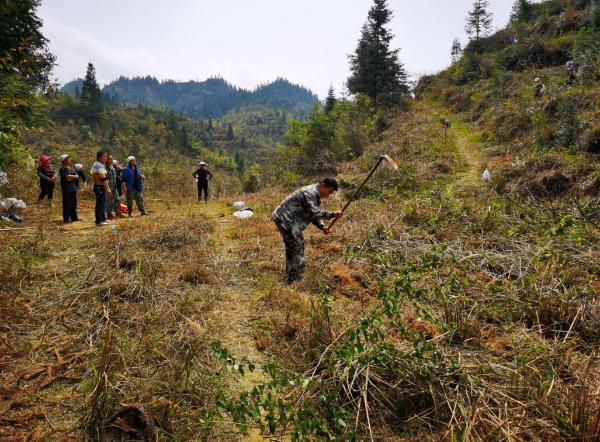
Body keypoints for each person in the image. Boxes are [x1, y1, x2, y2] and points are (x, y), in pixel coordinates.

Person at [272, 178, 343, 283]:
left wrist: (322, 226)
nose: (328, 195)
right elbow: (314, 212)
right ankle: (293, 279)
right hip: (284, 218)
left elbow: (312, 215)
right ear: (323, 185)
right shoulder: (309, 193)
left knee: (298, 244)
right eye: (329, 191)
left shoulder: (315, 193)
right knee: (295, 246)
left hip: (290, 220)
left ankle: (295, 274)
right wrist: (332, 214)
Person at [91, 150, 111, 226]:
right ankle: (99, 221)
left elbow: (92, 173)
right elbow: (103, 178)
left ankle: (103, 219)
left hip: (100, 186)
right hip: (99, 187)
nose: (105, 158)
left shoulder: (98, 164)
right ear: (99, 157)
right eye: (104, 157)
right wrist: (107, 188)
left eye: (106, 157)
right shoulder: (98, 165)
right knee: (100, 204)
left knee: (102, 203)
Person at [58, 154, 79, 223]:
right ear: (64, 161)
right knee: (67, 204)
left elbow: (77, 176)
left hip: (73, 188)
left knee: (74, 203)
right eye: (68, 159)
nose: (70, 160)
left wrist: (71, 176)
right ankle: (66, 218)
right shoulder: (62, 169)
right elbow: (67, 179)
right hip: (66, 189)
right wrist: (73, 176)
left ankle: (74, 217)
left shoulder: (72, 168)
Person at [105, 155, 122, 220]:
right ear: (106, 160)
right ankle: (109, 214)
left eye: (112, 159)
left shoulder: (112, 168)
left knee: (117, 200)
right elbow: (104, 179)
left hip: (114, 187)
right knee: (109, 202)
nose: (111, 160)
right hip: (108, 188)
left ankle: (118, 213)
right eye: (110, 159)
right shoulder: (104, 168)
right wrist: (107, 188)